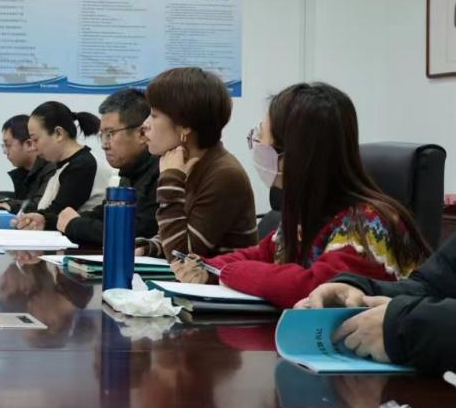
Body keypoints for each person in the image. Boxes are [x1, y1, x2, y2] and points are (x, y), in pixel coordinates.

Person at [169, 83, 427, 310]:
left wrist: (226, 271)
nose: (256, 147)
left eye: (261, 140)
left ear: (295, 155)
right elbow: (261, 254)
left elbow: (317, 289)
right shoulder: (307, 213)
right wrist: (205, 267)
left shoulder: (369, 223)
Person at [136, 67, 257, 259]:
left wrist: (170, 182)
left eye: (154, 115)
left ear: (185, 125)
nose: (145, 124)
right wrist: (148, 248)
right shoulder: (192, 162)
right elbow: (179, 233)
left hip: (217, 278)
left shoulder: (224, 175)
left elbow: (182, 256)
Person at [299, 236, 456, 375]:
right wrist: (363, 291)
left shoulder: (365, 221)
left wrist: (405, 326)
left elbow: (308, 280)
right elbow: (432, 285)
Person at [58, 88, 160, 247]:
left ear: (142, 134)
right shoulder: (130, 171)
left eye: (110, 134)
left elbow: (139, 233)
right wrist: (62, 220)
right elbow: (104, 214)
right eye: (103, 136)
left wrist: (75, 225)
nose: (104, 145)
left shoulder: (162, 172)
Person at [14, 102, 108, 230]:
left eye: (35, 140)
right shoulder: (67, 165)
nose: (34, 148)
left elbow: (57, 213)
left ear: (58, 134)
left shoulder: (82, 166)